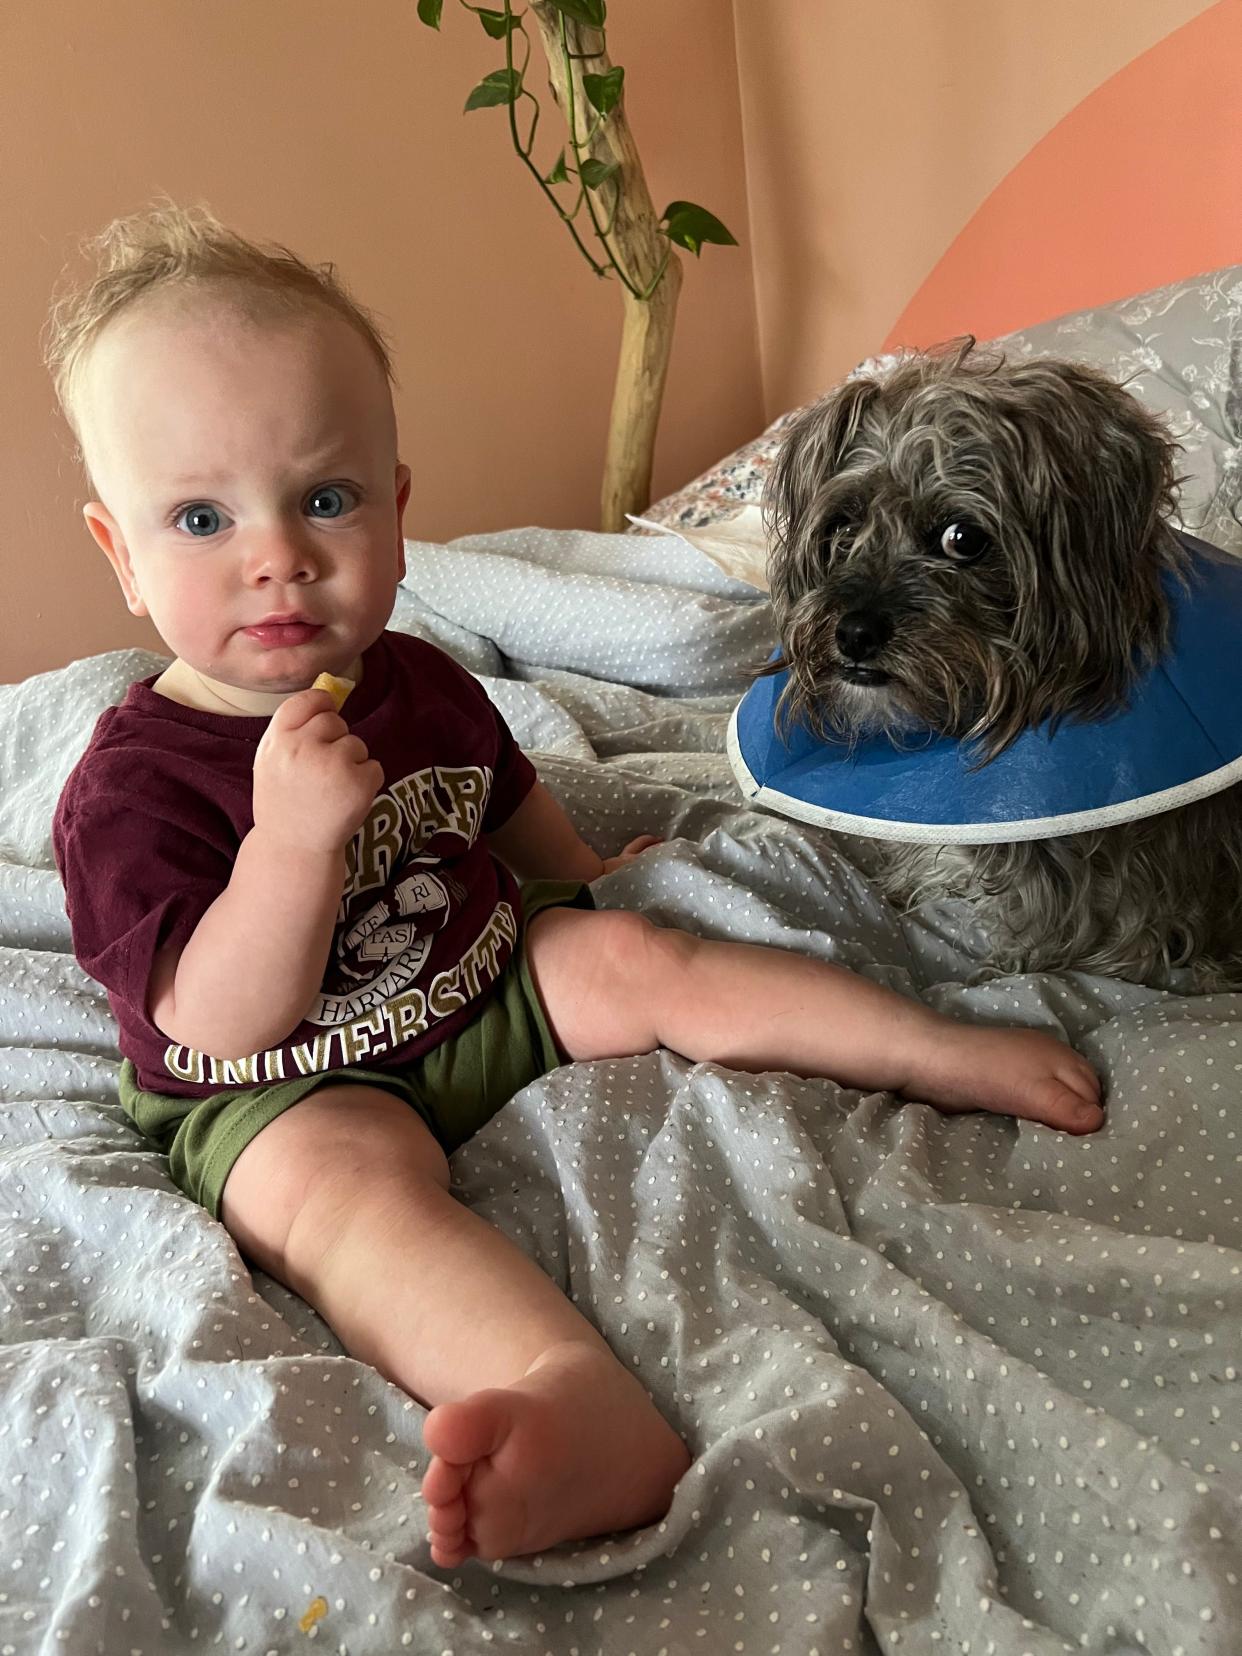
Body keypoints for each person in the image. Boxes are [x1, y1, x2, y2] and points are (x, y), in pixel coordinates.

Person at [48, 204, 1104, 1570]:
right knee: (342, 1203)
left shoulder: (417, 680)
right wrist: (290, 849)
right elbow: (216, 1025)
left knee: (646, 956)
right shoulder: (132, 788)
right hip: (288, 1080)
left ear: (397, 506)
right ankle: (568, 1397)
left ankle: (939, 1047)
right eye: (201, 517)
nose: (281, 557)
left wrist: (584, 875)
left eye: (325, 499)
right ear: (122, 556)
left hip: (473, 980)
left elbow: (500, 796)